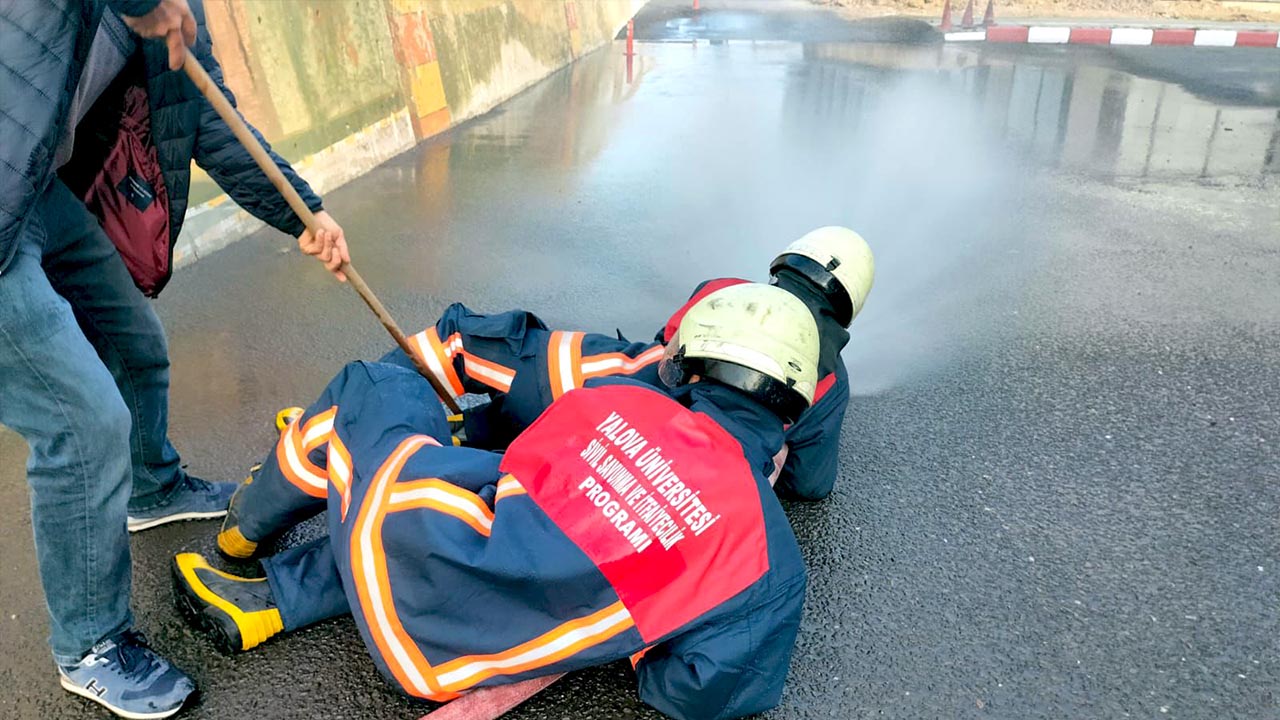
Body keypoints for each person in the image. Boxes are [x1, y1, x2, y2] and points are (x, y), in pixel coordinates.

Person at [175, 284, 816, 720]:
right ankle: (271, 599)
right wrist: (639, 640)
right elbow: (706, 689)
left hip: (395, 559)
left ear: (688, 365)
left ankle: (243, 531)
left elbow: (504, 469)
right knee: (486, 521)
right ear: (789, 413)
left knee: (372, 389)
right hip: (450, 671)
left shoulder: (616, 398)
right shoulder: (772, 561)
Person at [0, 0, 347, 716]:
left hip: (29, 193)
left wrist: (306, 214)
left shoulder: (173, 15)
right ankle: (89, 645)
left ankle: (150, 488)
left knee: (133, 342)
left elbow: (215, 123)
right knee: (80, 426)